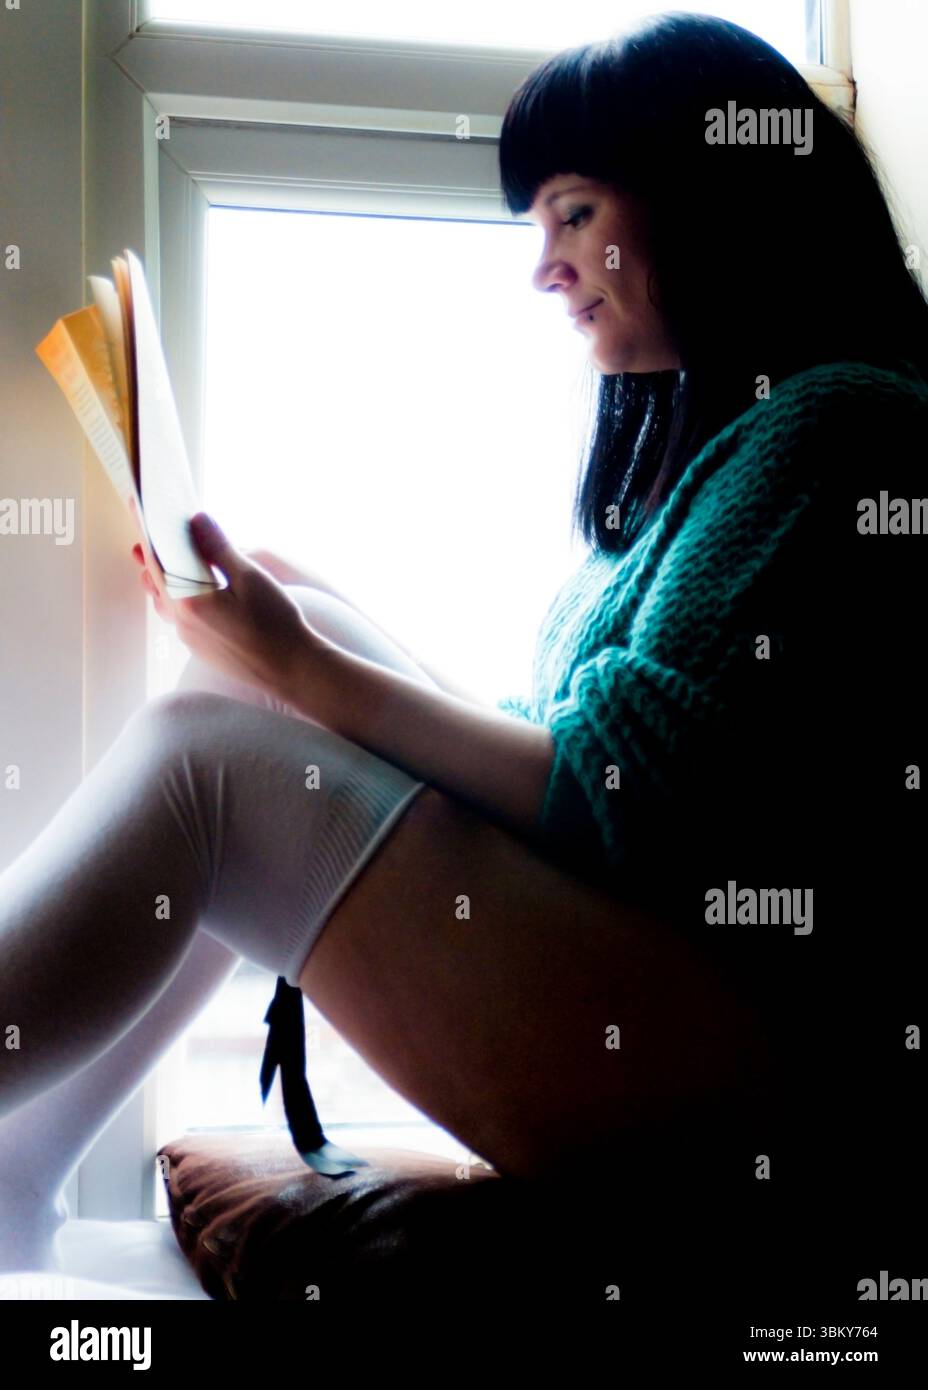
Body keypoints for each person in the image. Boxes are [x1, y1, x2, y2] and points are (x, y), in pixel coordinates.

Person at [1, 12, 925, 1300]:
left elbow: (621, 806)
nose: (545, 268)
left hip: (740, 1082)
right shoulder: (729, 446)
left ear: (707, 192)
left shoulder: (841, 428)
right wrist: (286, 640)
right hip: (672, 1006)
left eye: (572, 213)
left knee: (209, 755)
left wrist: (309, 673)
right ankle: (16, 1185)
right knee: (279, 630)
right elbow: (583, 772)